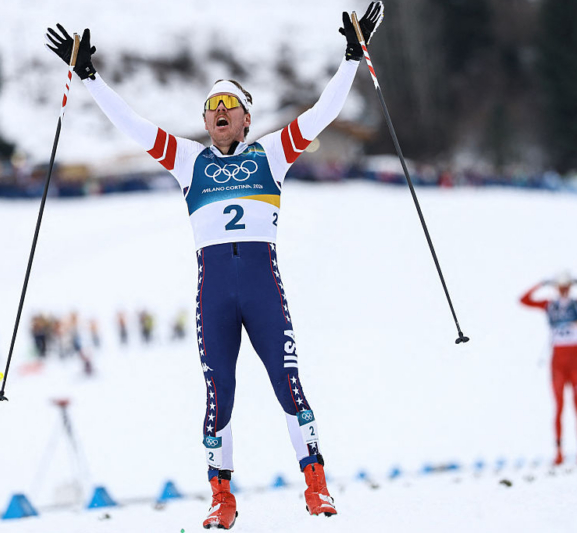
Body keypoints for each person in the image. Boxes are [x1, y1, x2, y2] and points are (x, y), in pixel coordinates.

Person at [46, 3, 383, 528]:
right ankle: (221, 498)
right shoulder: (188, 160)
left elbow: (321, 115)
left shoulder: (271, 154)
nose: (219, 110)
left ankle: (316, 485)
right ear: (205, 121)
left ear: (246, 117)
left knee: (287, 385)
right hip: (215, 294)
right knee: (218, 394)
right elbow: (133, 125)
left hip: (261, 287)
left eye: (230, 104)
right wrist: (89, 77)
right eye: (211, 106)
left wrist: (349, 60)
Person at [519, 272, 577, 465]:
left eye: (567, 287)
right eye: (560, 287)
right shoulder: (550, 305)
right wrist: (541, 283)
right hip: (557, 362)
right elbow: (524, 300)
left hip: (575, 360)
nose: (564, 291)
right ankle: (559, 452)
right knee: (558, 407)